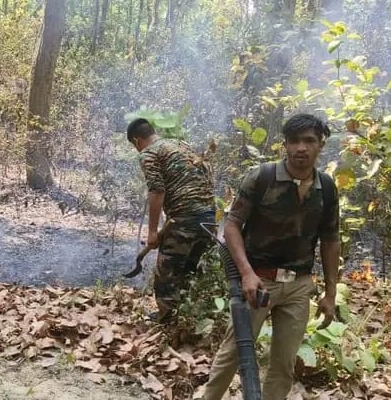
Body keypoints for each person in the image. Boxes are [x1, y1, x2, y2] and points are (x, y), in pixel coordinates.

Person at [202, 114, 340, 399]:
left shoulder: (326, 187)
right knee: (234, 352)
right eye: (294, 141)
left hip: (299, 286)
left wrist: (330, 293)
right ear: (285, 145)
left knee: (284, 365)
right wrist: (246, 273)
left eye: (309, 141)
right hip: (259, 282)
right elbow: (231, 226)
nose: (301, 148)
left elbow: (330, 240)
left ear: (320, 145)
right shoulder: (262, 177)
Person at [127, 118, 216, 324]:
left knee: (167, 271)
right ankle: (192, 316)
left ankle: (167, 319)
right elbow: (207, 169)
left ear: (137, 140)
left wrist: (152, 232)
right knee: (192, 268)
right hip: (210, 217)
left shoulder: (149, 153)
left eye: (134, 146)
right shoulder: (180, 145)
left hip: (185, 218)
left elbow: (157, 190)